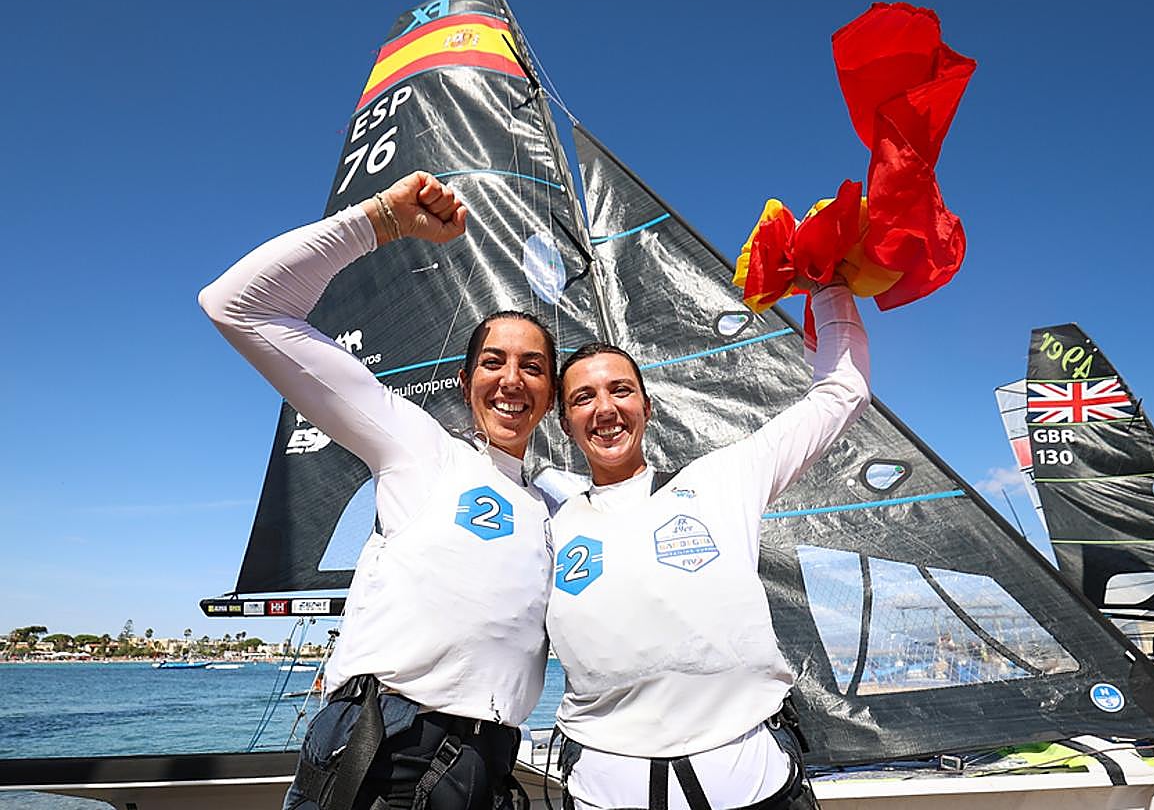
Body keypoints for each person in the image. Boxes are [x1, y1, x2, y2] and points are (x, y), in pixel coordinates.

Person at [199, 171, 558, 810]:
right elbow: (237, 305)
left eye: (532, 367)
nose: (511, 379)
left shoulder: (557, 504)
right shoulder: (419, 447)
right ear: (465, 382)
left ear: (551, 396)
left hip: (489, 765)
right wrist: (380, 221)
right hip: (383, 753)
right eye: (493, 361)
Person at [547, 279, 869, 810]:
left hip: (756, 784)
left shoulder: (724, 478)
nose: (605, 408)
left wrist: (827, 284)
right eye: (584, 397)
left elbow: (841, 393)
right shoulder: (549, 520)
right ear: (565, 423)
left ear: (647, 407)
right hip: (604, 789)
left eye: (620, 390)